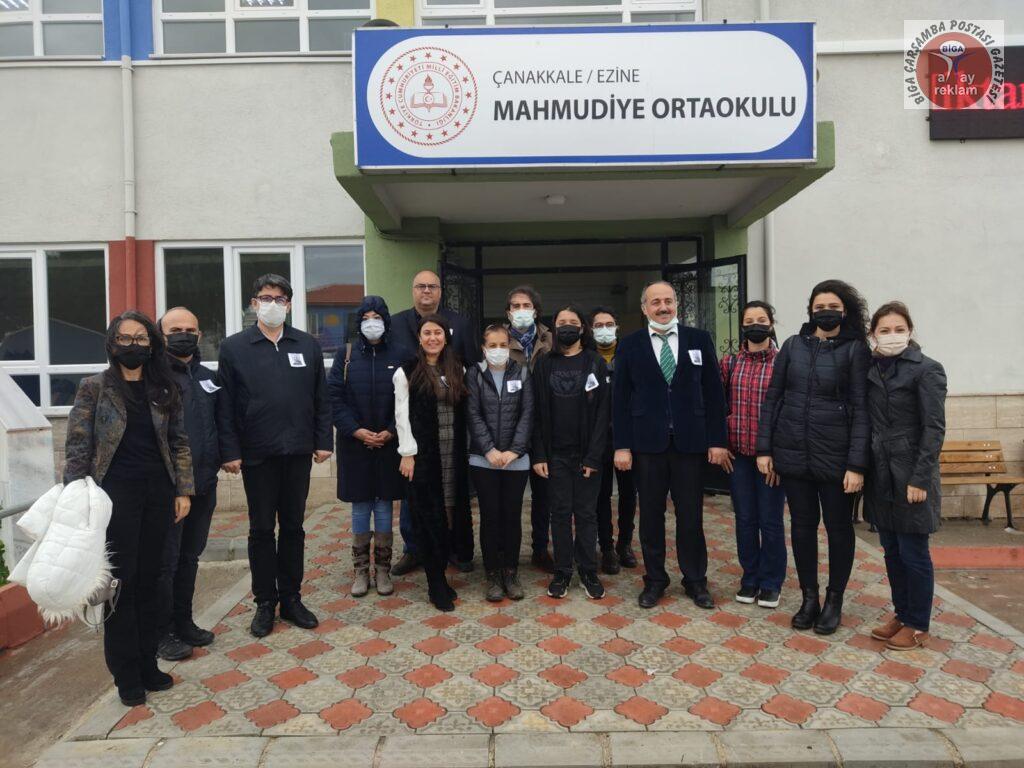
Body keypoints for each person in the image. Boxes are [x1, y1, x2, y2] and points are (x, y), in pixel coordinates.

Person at [63, 311, 193, 707]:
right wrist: (75, 496)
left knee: (153, 581)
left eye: (140, 338)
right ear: (111, 343)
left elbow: (179, 441)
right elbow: (78, 445)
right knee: (121, 584)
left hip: (158, 495)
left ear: (152, 344)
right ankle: (126, 674)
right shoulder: (94, 387)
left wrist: (184, 490)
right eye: (125, 338)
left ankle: (149, 663)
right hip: (113, 498)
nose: (132, 345)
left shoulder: (164, 387)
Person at [217, 274, 333, 638]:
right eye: (266, 298)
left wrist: (323, 440)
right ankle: (265, 603)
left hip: (297, 451)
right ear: (254, 303)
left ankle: (292, 599)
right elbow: (225, 404)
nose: (273, 304)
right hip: (257, 454)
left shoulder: (307, 345)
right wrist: (230, 450)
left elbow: (321, 397)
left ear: (289, 305)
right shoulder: (234, 347)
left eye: (280, 299)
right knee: (262, 530)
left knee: (294, 528)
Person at [756, 279, 871, 635]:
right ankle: (810, 598)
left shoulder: (856, 350)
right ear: (810, 310)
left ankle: (834, 600)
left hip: (836, 459)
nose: (826, 312)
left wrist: (856, 464)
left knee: (838, 530)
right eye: (819, 307)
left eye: (833, 307)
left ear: (845, 311)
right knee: (802, 528)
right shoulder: (793, 346)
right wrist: (765, 448)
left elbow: (862, 409)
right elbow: (773, 399)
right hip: (793, 454)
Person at [613, 281, 730, 610]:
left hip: (690, 444)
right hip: (647, 445)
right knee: (651, 516)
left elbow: (714, 393)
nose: (663, 307)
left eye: (668, 301)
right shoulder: (630, 345)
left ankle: (695, 580)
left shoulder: (699, 339)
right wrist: (621, 446)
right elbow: (620, 399)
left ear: (676, 304)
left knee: (691, 516)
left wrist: (717, 440)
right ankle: (655, 580)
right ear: (644, 308)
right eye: (655, 302)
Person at [864, 302, 946, 650]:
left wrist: (920, 478)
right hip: (880, 474)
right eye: (884, 330)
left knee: (914, 552)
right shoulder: (870, 369)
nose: (892, 336)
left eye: (899, 329)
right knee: (892, 551)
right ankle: (901, 613)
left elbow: (933, 428)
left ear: (910, 331)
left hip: (911, 471)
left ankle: (918, 623)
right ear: (873, 335)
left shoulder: (927, 369)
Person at [390, 269, 479, 576]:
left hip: (451, 435)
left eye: (432, 286)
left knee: (452, 494)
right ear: (413, 290)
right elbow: (400, 399)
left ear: (440, 291)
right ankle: (413, 550)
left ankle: (452, 548)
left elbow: (470, 369)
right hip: (418, 434)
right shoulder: (395, 324)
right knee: (416, 499)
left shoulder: (461, 324)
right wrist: (406, 448)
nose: (426, 291)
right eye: (420, 286)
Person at [328, 296, 406, 598]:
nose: (371, 323)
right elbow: (334, 398)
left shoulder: (400, 354)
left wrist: (390, 431)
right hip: (355, 445)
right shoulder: (345, 355)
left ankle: (383, 569)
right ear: (358, 323)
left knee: (384, 506)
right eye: (365, 318)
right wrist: (357, 431)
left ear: (386, 321)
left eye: (377, 317)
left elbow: (406, 399)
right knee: (360, 506)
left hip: (388, 444)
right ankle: (361, 570)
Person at [531, 305, 610, 600]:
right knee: (560, 514)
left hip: (586, 455)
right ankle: (562, 571)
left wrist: (594, 456)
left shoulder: (595, 362)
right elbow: (536, 412)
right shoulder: (544, 364)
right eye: (561, 322)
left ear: (582, 328)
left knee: (587, 514)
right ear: (554, 328)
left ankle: (588, 570)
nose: (567, 326)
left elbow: (603, 413)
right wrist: (539, 454)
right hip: (555, 456)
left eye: (572, 322)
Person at [156, 307, 220, 662]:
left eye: (190, 330)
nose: (184, 334)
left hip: (204, 484)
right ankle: (161, 632)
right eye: (175, 329)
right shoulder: (153, 377)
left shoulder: (207, 376)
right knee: (165, 563)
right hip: (169, 489)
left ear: (199, 335)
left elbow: (219, 421)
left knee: (190, 558)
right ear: (161, 335)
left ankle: (183, 622)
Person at [395, 314, 472, 611]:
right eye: (427, 333)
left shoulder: (457, 367)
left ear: (446, 336)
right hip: (424, 458)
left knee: (449, 516)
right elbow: (401, 416)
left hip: (453, 455)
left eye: (438, 333)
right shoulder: (407, 371)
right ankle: (435, 583)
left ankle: (442, 573)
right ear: (419, 337)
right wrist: (407, 453)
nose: (432, 338)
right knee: (428, 519)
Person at [719, 301, 786, 609]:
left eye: (761, 319)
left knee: (770, 521)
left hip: (770, 458)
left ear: (771, 324)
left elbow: (789, 412)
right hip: (739, 457)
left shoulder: (784, 363)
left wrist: (777, 455)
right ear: (742, 326)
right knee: (745, 519)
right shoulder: (730, 363)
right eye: (749, 320)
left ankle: (771, 582)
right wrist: (720, 443)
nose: (755, 325)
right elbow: (718, 405)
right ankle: (750, 577)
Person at [466, 324, 534, 601]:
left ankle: (511, 572)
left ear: (510, 346)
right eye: (492, 345)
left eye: (502, 345)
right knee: (490, 516)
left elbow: (528, 413)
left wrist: (515, 450)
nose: (498, 350)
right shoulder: (474, 374)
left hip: (516, 461)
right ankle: (492, 573)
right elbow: (473, 413)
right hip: (484, 460)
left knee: (512, 517)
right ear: (484, 349)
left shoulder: (523, 372)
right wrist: (489, 450)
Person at [504, 285, 555, 573]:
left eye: (526, 305)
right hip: (510, 428)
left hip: (545, 427)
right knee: (509, 497)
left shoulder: (550, 339)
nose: (521, 310)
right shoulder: (498, 340)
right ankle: (506, 553)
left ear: (535, 311)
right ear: (508, 312)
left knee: (543, 495)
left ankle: (540, 549)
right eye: (516, 306)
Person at [590, 306, 638, 574]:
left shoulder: (630, 354)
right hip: (598, 438)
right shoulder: (587, 359)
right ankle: (606, 547)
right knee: (601, 495)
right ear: (591, 330)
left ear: (617, 327)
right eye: (598, 325)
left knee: (629, 493)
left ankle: (625, 543)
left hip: (628, 437)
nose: (604, 329)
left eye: (609, 324)